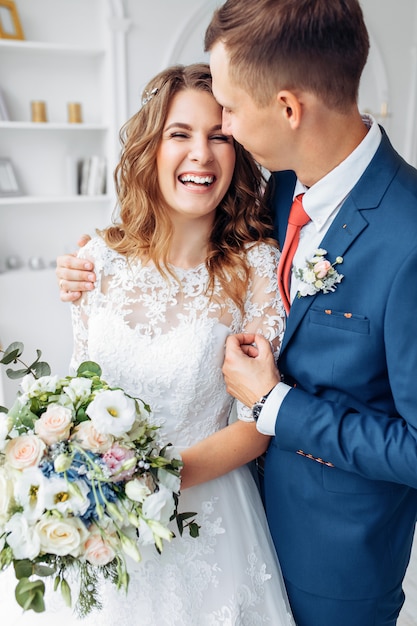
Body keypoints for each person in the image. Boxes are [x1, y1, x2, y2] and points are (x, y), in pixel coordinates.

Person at [55, 2, 417, 624]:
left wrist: (274, 406)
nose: (221, 135)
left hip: (327, 558)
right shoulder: (279, 190)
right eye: (187, 130)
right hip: (165, 536)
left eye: (228, 116)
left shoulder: (407, 234)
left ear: (286, 109)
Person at [9, 63, 294, 626]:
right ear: (150, 148)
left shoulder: (256, 269)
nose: (202, 154)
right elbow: (76, 391)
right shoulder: (95, 260)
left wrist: (152, 478)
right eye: (180, 134)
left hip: (206, 519)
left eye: (219, 136)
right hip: (98, 523)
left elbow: (256, 424)